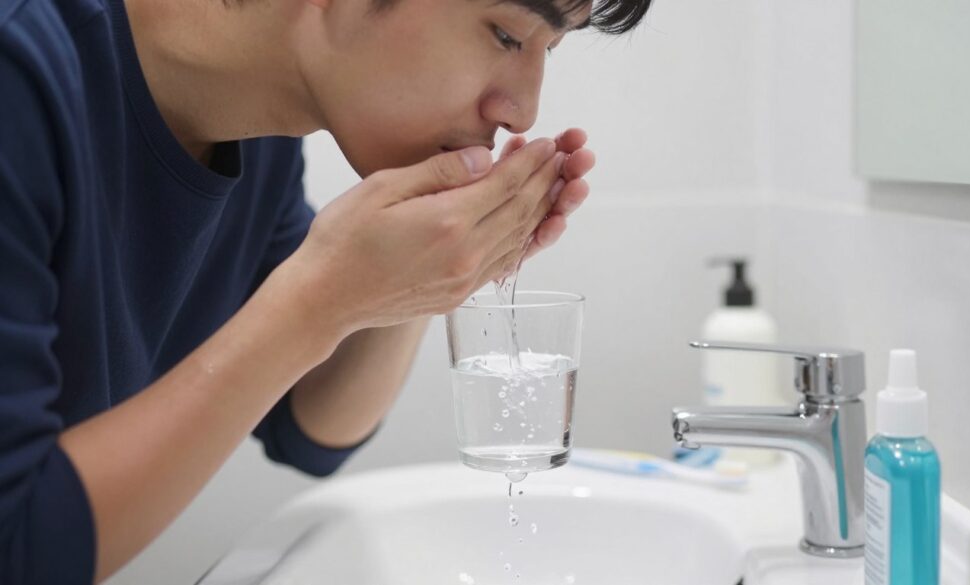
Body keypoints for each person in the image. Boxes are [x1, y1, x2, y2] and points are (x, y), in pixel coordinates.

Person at [0, 0, 652, 581]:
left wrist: (432, 271)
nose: (524, 110)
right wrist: (319, 303)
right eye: (507, 35)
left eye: (549, 50)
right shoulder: (21, 71)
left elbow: (310, 425)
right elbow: (15, 546)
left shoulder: (255, 126)